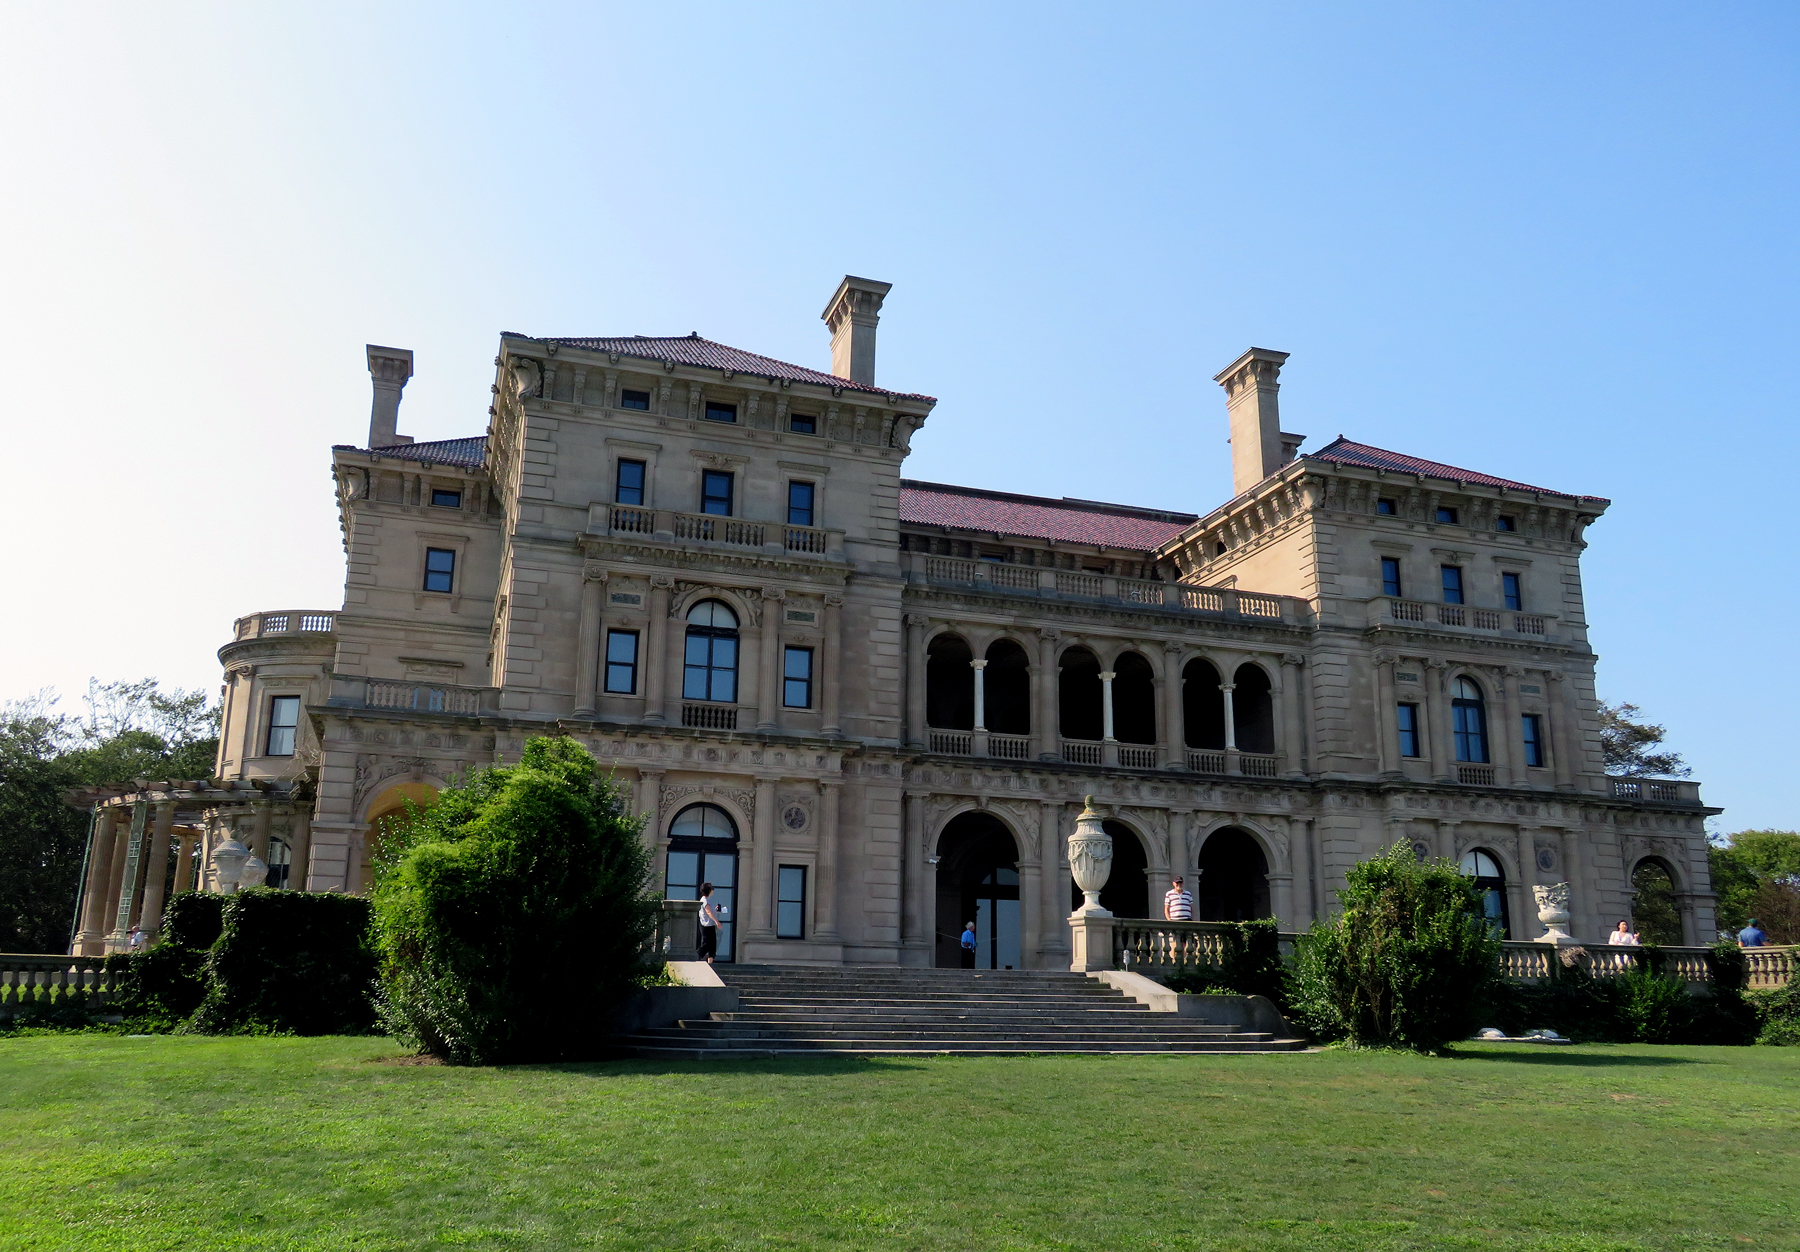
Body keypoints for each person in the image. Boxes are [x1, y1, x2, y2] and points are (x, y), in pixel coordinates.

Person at [696, 882, 721, 964]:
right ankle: (696, 956)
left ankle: (710, 961)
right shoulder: (704, 900)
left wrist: (716, 909)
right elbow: (708, 912)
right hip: (706, 925)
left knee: (712, 944)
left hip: (710, 925)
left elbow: (710, 911)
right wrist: (716, 921)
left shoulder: (707, 900)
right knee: (706, 944)